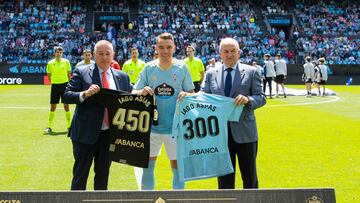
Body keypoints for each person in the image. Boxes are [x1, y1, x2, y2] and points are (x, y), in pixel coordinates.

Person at [63, 40, 132, 190]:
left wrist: (143, 91)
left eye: (108, 53)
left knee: (102, 179)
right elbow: (66, 96)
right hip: (85, 135)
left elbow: (132, 94)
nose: (105, 57)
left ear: (113, 55)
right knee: (80, 177)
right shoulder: (81, 71)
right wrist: (85, 94)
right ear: (94, 55)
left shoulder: (122, 76)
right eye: (101, 53)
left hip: (109, 136)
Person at [132, 32, 195, 190]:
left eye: (168, 47)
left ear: (174, 47)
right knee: (147, 168)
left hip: (175, 127)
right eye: (161, 47)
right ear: (156, 48)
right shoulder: (148, 68)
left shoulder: (182, 67)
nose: (165, 51)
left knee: (178, 169)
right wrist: (142, 93)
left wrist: (186, 95)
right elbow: (133, 93)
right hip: (151, 127)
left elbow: (192, 95)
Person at [202, 37, 266, 189]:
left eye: (232, 51)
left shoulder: (251, 72)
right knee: (224, 182)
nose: (229, 55)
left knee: (250, 179)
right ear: (220, 54)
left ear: (239, 53)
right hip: (220, 135)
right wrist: (189, 97)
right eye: (226, 51)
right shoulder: (211, 73)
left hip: (245, 133)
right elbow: (203, 95)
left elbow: (261, 97)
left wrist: (248, 100)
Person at [43, 46, 72, 134]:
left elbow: (69, 74)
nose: (59, 54)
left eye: (60, 52)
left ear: (62, 53)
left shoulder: (66, 62)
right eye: (57, 52)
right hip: (55, 86)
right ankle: (49, 126)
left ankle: (69, 127)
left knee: (66, 105)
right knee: (53, 106)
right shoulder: (50, 63)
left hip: (65, 85)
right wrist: (54, 82)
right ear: (54, 53)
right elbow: (49, 75)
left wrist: (68, 84)